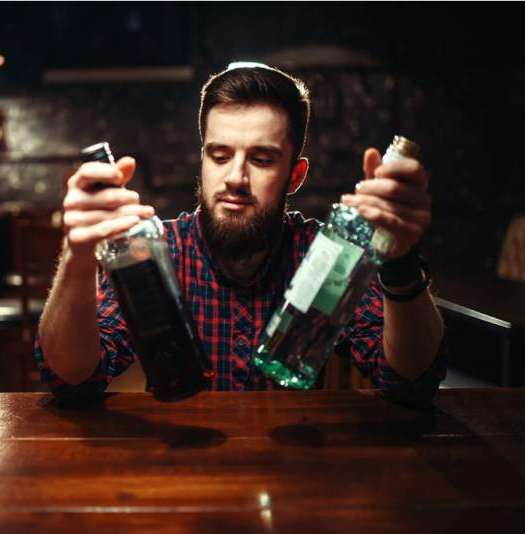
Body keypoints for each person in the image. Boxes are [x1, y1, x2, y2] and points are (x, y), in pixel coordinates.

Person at [35, 63, 445, 404]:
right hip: (180, 471)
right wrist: (77, 254)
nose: (235, 178)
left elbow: (410, 380)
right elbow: (71, 380)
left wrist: (401, 262)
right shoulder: (158, 251)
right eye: (220, 155)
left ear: (294, 176)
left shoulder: (324, 256)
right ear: (202, 160)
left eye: (262, 159)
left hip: (298, 473)